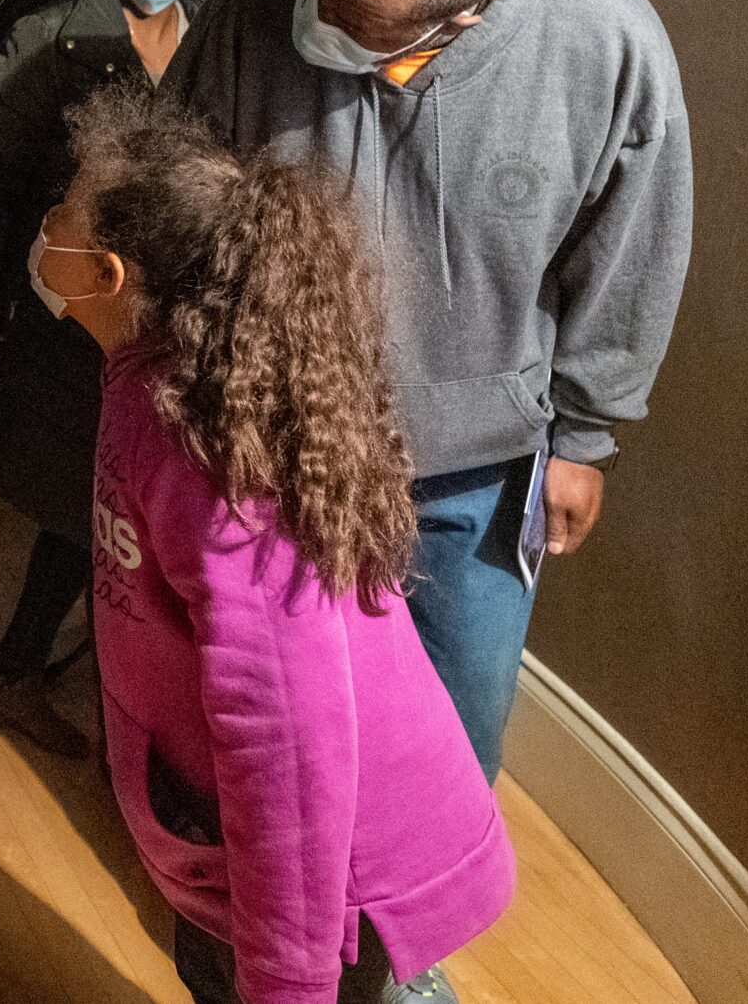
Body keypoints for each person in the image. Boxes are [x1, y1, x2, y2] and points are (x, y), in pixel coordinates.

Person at [166, 0, 692, 792]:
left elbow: (628, 256)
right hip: (273, 440)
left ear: (460, 23)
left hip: (472, 468)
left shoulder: (607, 42)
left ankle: (401, 939)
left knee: (452, 727)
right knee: (274, 721)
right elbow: (174, 187)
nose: (318, 20)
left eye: (354, 23)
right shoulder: (253, 4)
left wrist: (583, 436)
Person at [43, 89, 513, 1004]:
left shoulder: (205, 452)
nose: (45, 220)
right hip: (232, 853)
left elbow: (289, 741)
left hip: (335, 893)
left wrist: (288, 985)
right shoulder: (148, 380)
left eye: (61, 208)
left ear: (104, 272)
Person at [0, 0, 223, 758]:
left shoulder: (214, 52)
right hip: (67, 321)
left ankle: (69, 685)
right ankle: (74, 696)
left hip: (166, 331)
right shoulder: (46, 40)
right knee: (87, 504)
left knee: (123, 511)